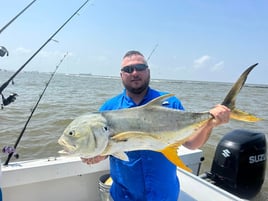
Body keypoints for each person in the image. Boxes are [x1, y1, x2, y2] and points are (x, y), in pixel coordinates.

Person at [82, 50, 230, 201]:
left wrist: (210, 124)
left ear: (148, 71)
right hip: (124, 196)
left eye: (140, 67)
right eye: (128, 69)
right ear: (121, 75)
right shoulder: (109, 109)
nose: (134, 73)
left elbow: (191, 143)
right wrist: (95, 154)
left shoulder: (171, 104)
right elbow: (108, 147)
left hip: (164, 195)